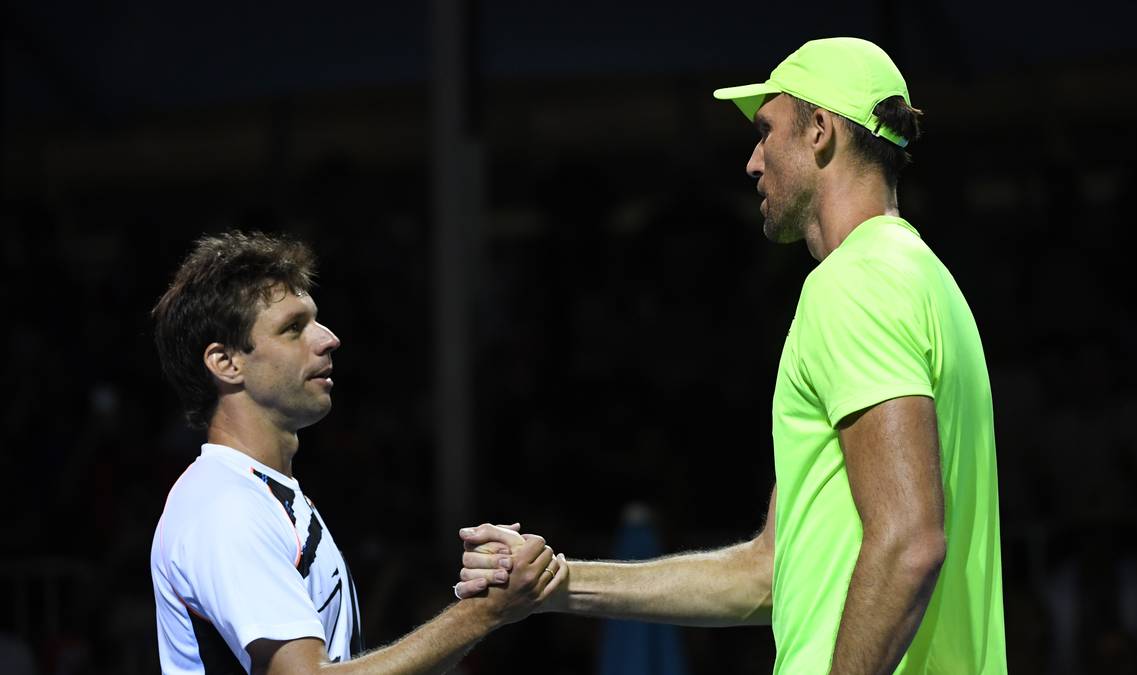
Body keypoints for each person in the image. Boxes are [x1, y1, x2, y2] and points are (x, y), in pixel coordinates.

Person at [459, 37, 1007, 673]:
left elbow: (910, 541)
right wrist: (558, 581)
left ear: (820, 133)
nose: (752, 162)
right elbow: (768, 573)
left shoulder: (855, 283)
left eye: (765, 131)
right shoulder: (925, 280)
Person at [149, 230, 566, 674]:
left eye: (316, 321)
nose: (328, 339)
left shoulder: (263, 497)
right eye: (294, 328)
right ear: (226, 363)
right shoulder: (223, 507)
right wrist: (483, 615)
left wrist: (485, 606)